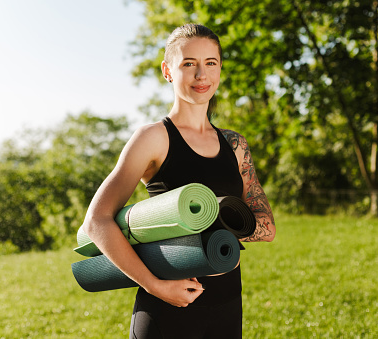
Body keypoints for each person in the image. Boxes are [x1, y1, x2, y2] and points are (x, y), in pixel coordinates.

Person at [82, 23, 275, 339]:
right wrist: (156, 286)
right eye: (189, 64)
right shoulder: (153, 138)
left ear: (220, 69)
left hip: (227, 303)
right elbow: (97, 221)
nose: (202, 75)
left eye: (210, 63)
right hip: (166, 309)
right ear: (167, 71)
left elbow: (267, 226)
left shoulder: (235, 145)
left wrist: (223, 219)